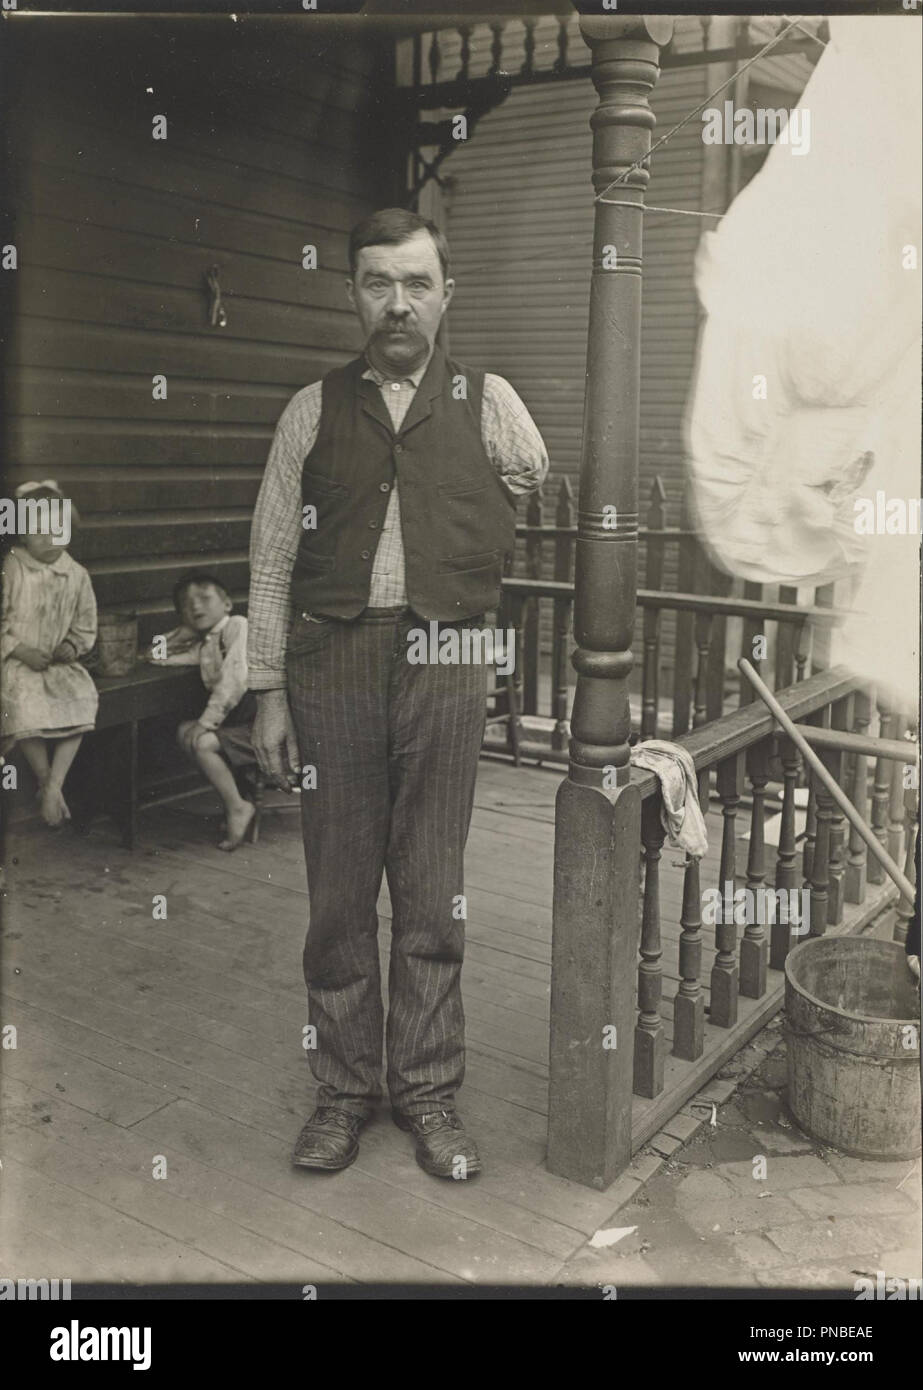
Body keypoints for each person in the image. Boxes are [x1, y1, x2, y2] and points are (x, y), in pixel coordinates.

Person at [248, 207, 548, 1179]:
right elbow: (269, 562)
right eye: (377, 282)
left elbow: (529, 481)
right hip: (330, 662)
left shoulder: (486, 398)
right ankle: (343, 1092)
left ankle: (425, 1091)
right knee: (337, 894)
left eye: (416, 283)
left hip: (448, 659)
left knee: (430, 889)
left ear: (445, 294)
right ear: (353, 295)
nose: (397, 302)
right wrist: (267, 690)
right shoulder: (311, 410)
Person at [0, 481, 98, 827]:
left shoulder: (77, 575)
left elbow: (86, 623)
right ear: (22, 536)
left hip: (56, 662)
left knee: (81, 699)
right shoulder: (13, 568)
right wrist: (20, 649)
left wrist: (72, 645)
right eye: (37, 531)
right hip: (17, 662)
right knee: (24, 707)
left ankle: (53, 786)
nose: (48, 539)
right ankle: (46, 780)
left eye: (57, 529)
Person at [146, 571, 261, 852]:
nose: (196, 607)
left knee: (202, 741)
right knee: (184, 732)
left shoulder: (237, 627)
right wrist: (181, 633)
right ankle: (237, 798)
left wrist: (206, 723)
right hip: (240, 724)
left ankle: (238, 807)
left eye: (205, 599)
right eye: (187, 604)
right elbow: (156, 657)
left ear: (227, 604)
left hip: (264, 725)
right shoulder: (206, 644)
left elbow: (234, 680)